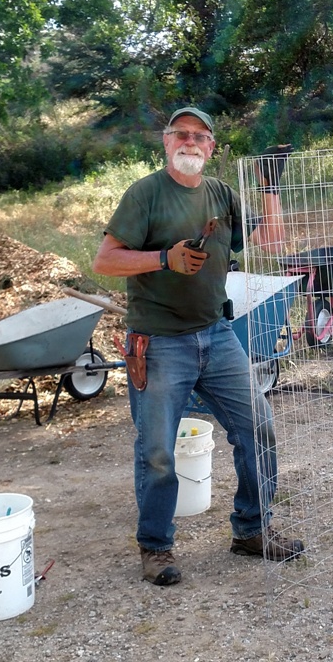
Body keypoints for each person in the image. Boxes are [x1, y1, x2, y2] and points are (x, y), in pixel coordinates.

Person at [91, 106, 303, 585]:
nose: (190, 142)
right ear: (166, 143)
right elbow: (105, 260)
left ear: (211, 148)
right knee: (158, 451)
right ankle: (157, 549)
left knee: (258, 429)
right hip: (160, 342)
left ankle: (252, 530)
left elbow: (271, 240)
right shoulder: (145, 194)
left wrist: (270, 187)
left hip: (217, 334)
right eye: (181, 134)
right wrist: (164, 258)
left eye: (200, 136)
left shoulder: (221, 194)